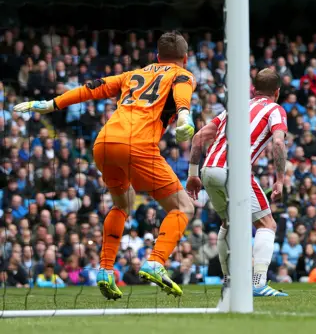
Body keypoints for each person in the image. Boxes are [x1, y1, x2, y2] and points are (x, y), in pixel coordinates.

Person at [15, 31, 197, 300]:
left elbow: (91, 87)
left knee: (122, 203)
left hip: (104, 142)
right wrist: (184, 115)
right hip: (137, 144)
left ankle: (105, 270)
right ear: (185, 57)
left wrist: (52, 104)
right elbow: (182, 92)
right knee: (184, 207)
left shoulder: (133, 74)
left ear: (157, 56)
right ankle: (156, 261)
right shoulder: (182, 74)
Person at [186, 68, 288, 297]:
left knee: (228, 223)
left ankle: (230, 281)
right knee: (267, 224)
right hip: (235, 170)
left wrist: (193, 173)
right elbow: (279, 144)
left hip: (208, 169)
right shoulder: (276, 110)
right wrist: (280, 180)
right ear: (277, 92)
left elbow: (199, 137)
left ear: (253, 89)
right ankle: (258, 283)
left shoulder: (233, 109)